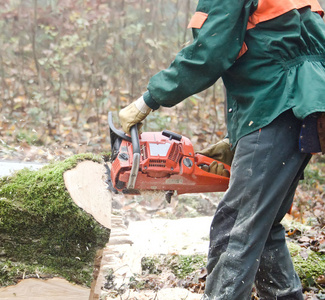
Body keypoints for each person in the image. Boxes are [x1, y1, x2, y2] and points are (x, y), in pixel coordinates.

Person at [118, 0, 325, 299]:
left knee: (234, 229)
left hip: (279, 104)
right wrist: (237, 139)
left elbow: (209, 54)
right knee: (261, 228)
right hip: (300, 105)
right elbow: (273, 51)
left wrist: (148, 100)